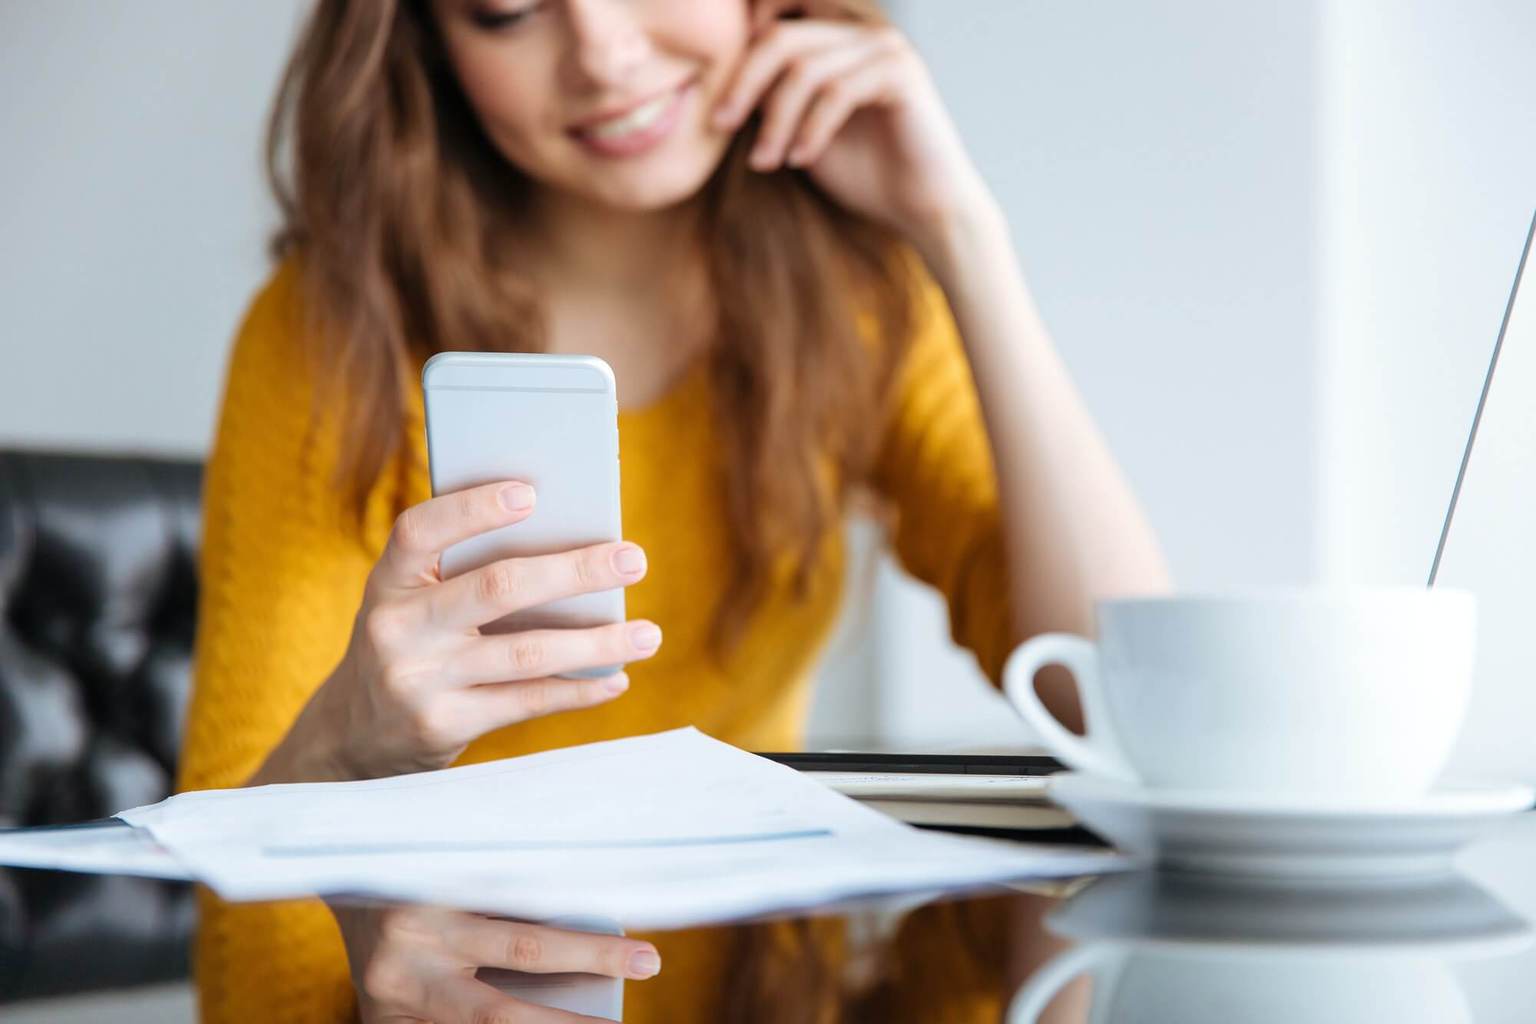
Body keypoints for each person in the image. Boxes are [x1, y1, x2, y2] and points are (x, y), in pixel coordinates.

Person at [178, 0, 1170, 1020]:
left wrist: (959, 230)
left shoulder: (856, 302)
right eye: (509, 11)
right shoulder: (330, 339)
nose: (605, 56)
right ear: (426, 41)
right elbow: (244, 964)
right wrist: (345, 748)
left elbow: (1138, 712)